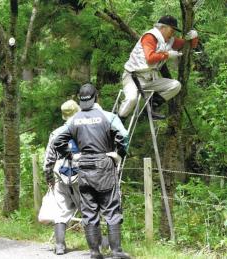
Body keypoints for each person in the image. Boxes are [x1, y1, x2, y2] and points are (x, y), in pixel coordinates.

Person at [54, 83, 130, 259]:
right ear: (96, 96)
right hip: (104, 164)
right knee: (111, 208)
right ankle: (116, 251)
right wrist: (120, 153)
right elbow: (123, 136)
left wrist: (71, 155)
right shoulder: (108, 116)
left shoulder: (74, 120)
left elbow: (58, 141)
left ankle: (94, 252)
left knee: (89, 211)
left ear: (79, 99)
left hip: (84, 167)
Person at [118, 15, 199, 120]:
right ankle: (117, 126)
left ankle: (149, 110)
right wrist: (168, 55)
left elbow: (190, 45)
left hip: (150, 80)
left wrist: (194, 36)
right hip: (133, 77)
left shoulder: (169, 40)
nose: (173, 32)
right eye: (172, 29)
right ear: (162, 27)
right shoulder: (150, 36)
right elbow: (150, 58)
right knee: (131, 99)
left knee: (176, 86)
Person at [43, 99, 81, 255]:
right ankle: (97, 246)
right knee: (88, 209)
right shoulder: (84, 130)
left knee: (61, 209)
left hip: (60, 174)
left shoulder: (56, 133)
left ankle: (59, 245)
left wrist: (48, 176)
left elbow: (49, 158)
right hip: (81, 174)